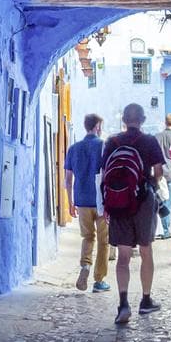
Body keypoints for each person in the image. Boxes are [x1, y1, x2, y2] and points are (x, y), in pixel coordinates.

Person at [101, 103, 166, 325]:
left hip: (118, 201)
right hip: (143, 201)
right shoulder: (149, 141)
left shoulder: (112, 142)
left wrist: (107, 202)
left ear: (124, 120)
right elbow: (158, 172)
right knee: (146, 251)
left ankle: (123, 304)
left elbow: (104, 174)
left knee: (123, 256)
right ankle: (146, 301)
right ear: (143, 119)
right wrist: (149, 183)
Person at [64, 115, 111, 292]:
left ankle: (85, 266)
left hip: (81, 200)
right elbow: (107, 173)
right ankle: (99, 280)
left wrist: (70, 202)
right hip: (100, 200)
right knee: (103, 240)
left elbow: (68, 179)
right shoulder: (103, 146)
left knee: (87, 237)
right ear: (98, 126)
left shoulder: (73, 149)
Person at [155, 114, 171, 239]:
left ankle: (161, 228)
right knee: (168, 201)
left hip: (158, 171)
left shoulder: (158, 136)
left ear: (165, 122)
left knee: (161, 200)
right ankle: (165, 230)